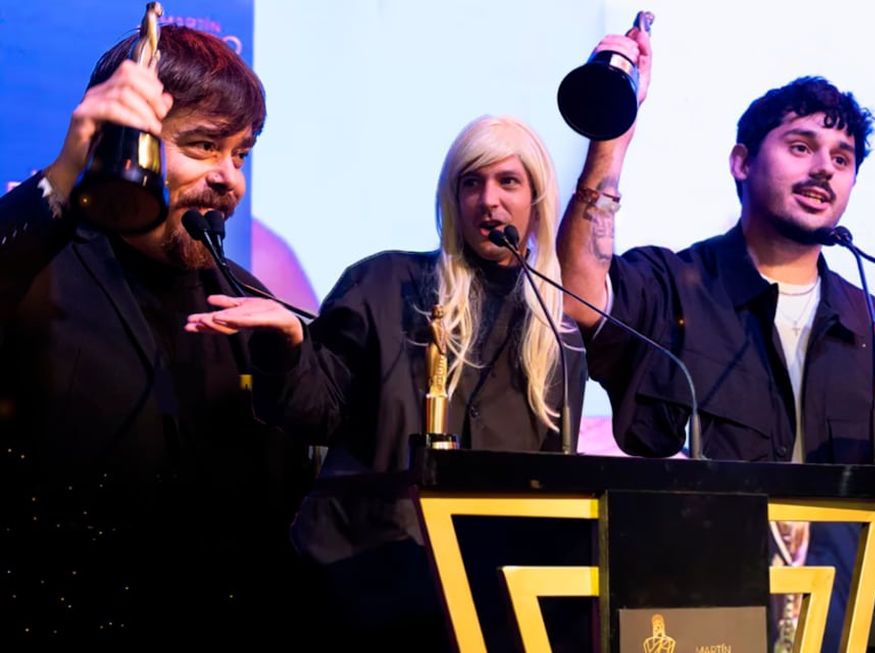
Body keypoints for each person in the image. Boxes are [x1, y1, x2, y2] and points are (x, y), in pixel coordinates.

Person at [556, 29, 875, 653]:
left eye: (842, 158)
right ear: (742, 162)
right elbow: (581, 287)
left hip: (839, 632)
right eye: (801, 146)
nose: (824, 167)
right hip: (691, 625)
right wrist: (612, 136)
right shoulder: (671, 287)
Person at [0, 26, 324, 641]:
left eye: (242, 154)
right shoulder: (37, 266)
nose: (232, 180)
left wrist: (294, 364)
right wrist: (68, 175)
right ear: (132, 142)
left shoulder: (247, 299)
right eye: (204, 146)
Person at [276, 115, 589, 647]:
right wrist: (282, 350)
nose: (488, 200)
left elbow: (550, 486)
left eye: (507, 181)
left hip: (482, 600)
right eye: (471, 182)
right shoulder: (383, 283)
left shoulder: (558, 335)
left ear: (536, 199)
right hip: (359, 579)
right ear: (452, 197)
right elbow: (314, 412)